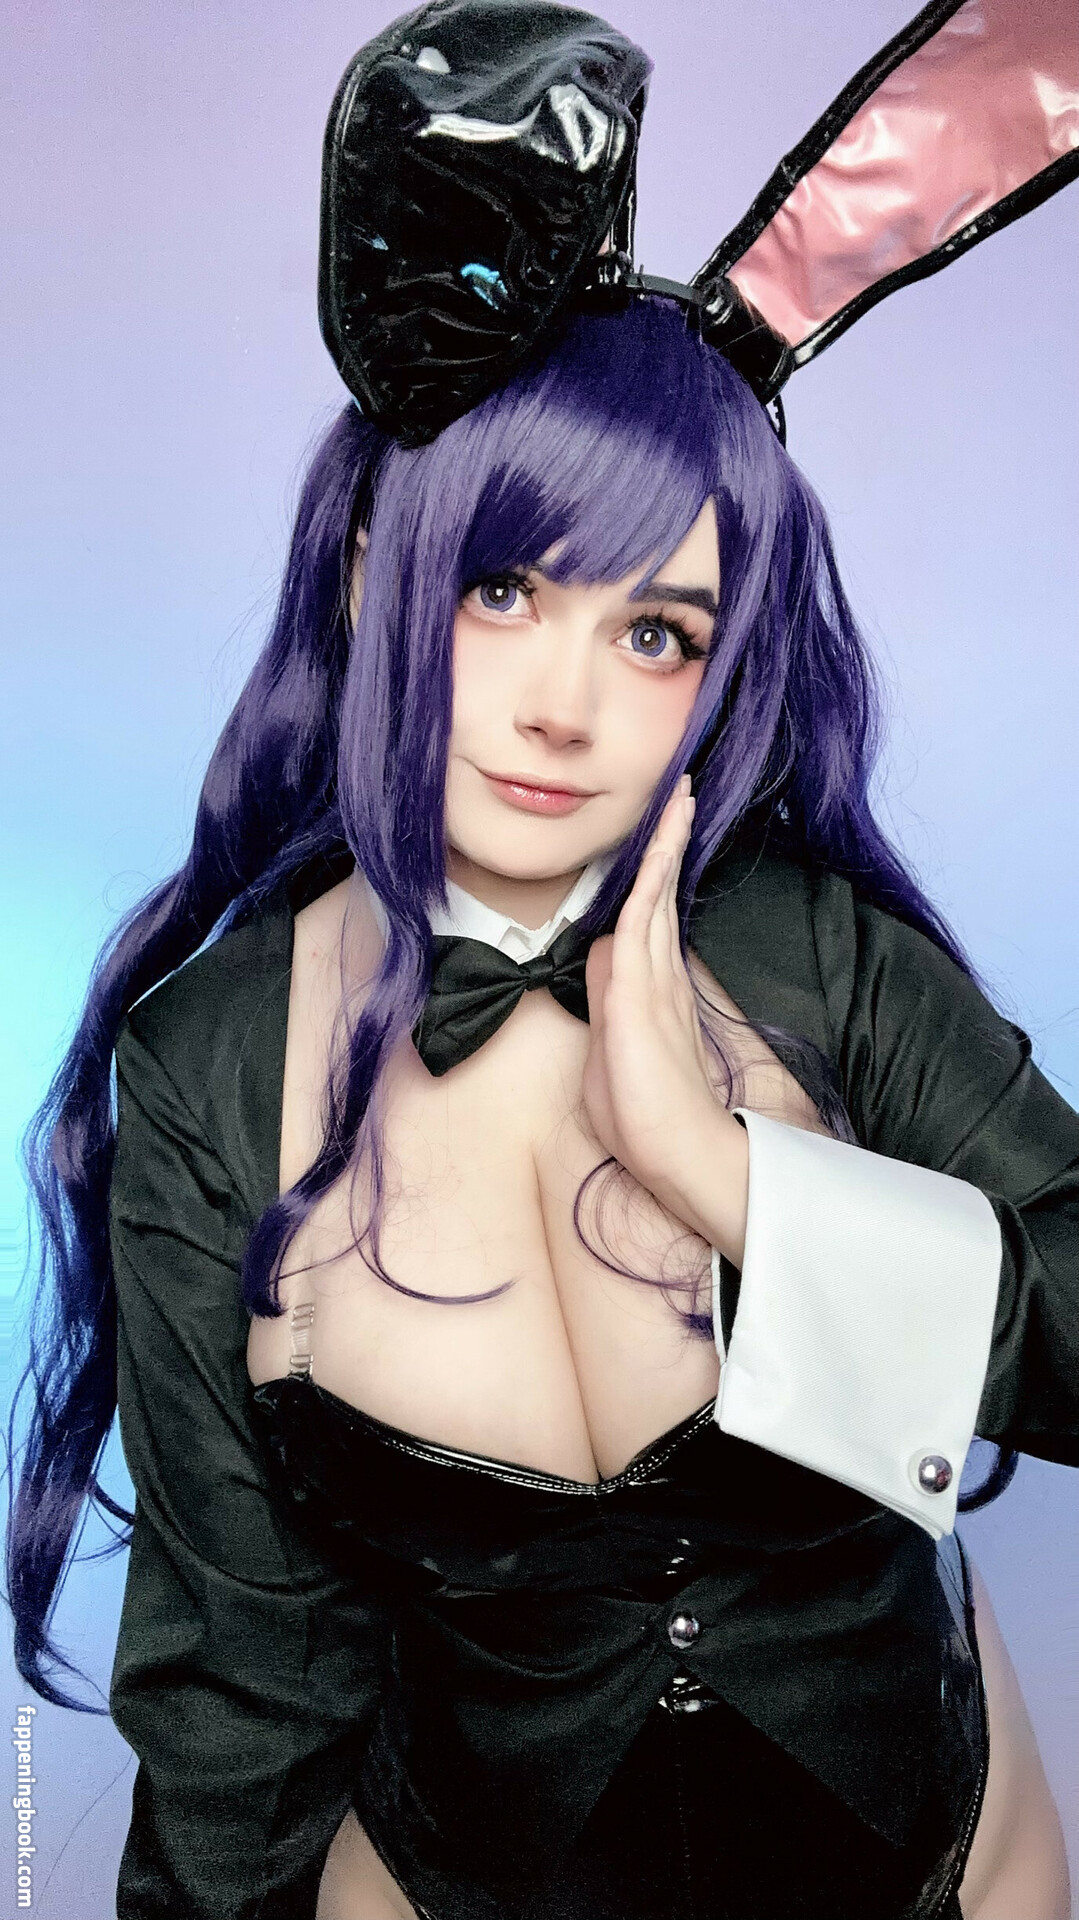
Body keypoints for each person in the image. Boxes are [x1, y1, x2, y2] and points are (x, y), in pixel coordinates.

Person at [7, 5, 1078, 1918]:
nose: (562, 707)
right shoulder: (211, 1071)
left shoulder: (821, 959)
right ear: (375, 572)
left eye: (657, 633)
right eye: (505, 589)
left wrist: (735, 1181)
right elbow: (241, 1686)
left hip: (949, 1862)